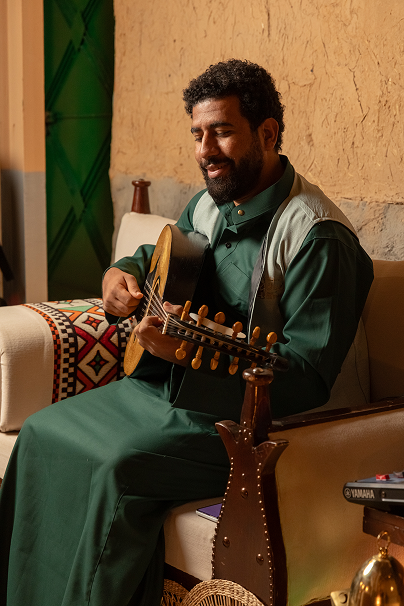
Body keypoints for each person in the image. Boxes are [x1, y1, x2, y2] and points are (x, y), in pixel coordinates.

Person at [0, 59, 373, 606]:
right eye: (197, 134)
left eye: (221, 131)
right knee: (39, 433)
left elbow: (307, 380)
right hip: (171, 392)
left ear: (268, 133)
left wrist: (190, 350)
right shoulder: (211, 203)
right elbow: (166, 255)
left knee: (116, 466)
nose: (205, 150)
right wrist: (119, 274)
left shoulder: (319, 236)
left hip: (260, 427)